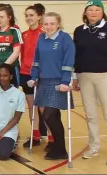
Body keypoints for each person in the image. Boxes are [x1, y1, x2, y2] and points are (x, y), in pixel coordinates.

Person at [73, 0, 107, 165]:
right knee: (90, 115)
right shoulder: (79, 31)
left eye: (97, 10)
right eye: (90, 10)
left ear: (102, 12)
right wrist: (75, 77)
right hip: (85, 77)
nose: (94, 13)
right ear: (85, 12)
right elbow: (76, 56)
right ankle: (94, 146)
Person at [28, 12, 76, 160]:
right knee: (51, 116)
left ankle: (60, 148)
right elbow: (36, 60)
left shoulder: (65, 38)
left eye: (52, 24)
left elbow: (69, 61)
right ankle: (59, 148)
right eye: (46, 24)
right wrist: (33, 77)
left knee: (49, 115)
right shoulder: (41, 38)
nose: (48, 27)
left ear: (58, 24)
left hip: (58, 82)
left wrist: (65, 81)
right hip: (43, 81)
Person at [21, 3, 49, 148]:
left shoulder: (43, 33)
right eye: (26, 15)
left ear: (39, 16)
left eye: (31, 15)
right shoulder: (24, 34)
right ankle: (35, 135)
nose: (29, 18)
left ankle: (51, 137)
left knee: (44, 107)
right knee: (32, 106)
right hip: (25, 73)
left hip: (40, 74)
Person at [0, 6, 22, 87]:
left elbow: (16, 52)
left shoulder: (14, 31)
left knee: (13, 93)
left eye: (2, 17)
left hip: (11, 68)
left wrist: (3, 67)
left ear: (9, 17)